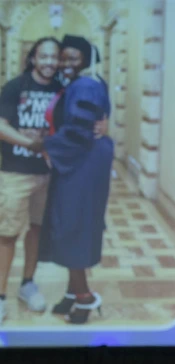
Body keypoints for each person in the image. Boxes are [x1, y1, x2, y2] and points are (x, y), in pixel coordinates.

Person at [38, 34, 114, 324]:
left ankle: (84, 297)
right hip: (81, 162)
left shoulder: (85, 85)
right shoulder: (80, 83)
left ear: (84, 59)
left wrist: (46, 146)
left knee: (74, 225)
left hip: (81, 163)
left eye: (73, 59)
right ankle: (72, 292)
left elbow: (81, 130)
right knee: (73, 222)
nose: (66, 63)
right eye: (63, 58)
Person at [0, 37, 62, 323]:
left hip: (47, 174)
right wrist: (31, 144)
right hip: (15, 172)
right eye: (44, 56)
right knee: (7, 234)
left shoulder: (62, 90)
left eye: (54, 57)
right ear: (34, 58)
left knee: (36, 230)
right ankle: (0, 296)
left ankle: (27, 284)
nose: (49, 62)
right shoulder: (15, 87)